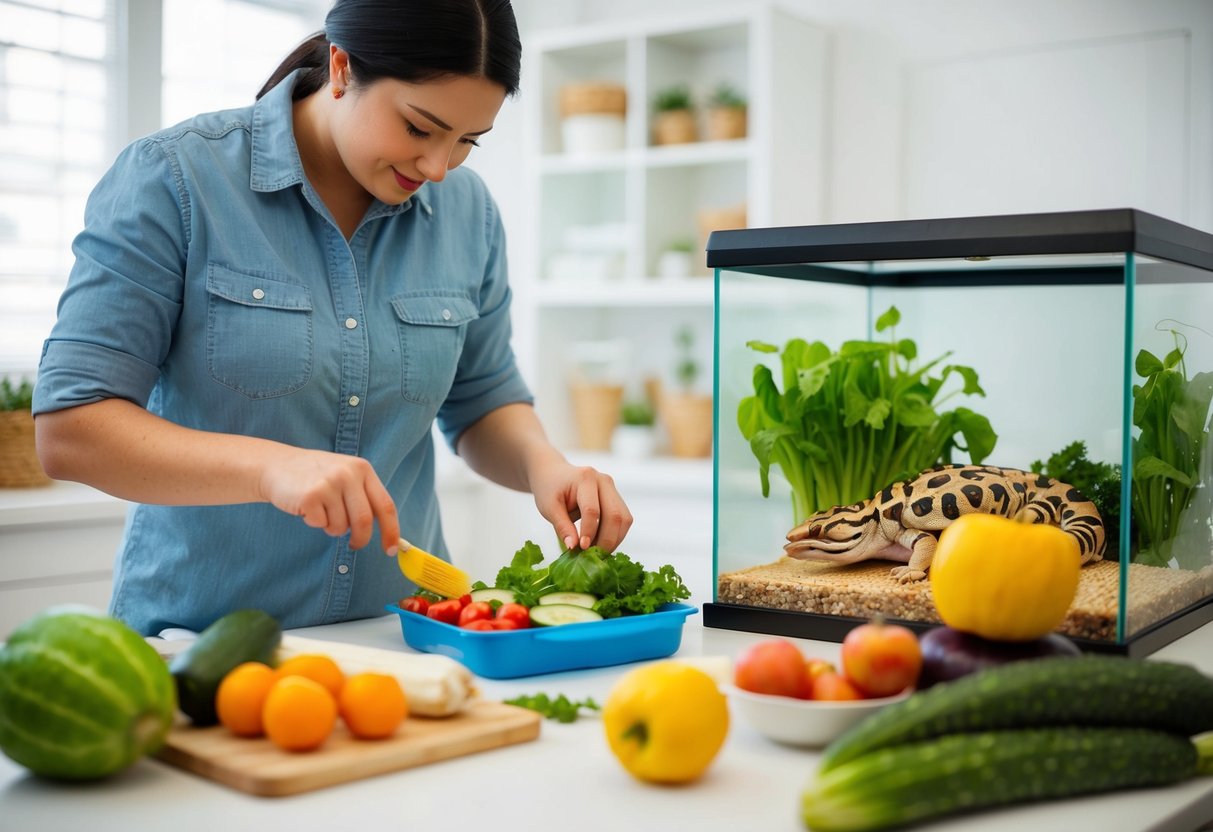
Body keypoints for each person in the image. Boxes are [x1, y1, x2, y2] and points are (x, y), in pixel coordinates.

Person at [32, 0, 632, 636]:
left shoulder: (469, 214)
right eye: (420, 128)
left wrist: (547, 467)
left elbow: (482, 399)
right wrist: (272, 469)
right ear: (342, 69)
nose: (437, 168)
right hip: (196, 650)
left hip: (401, 641)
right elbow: (72, 429)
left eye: (466, 142)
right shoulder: (175, 180)